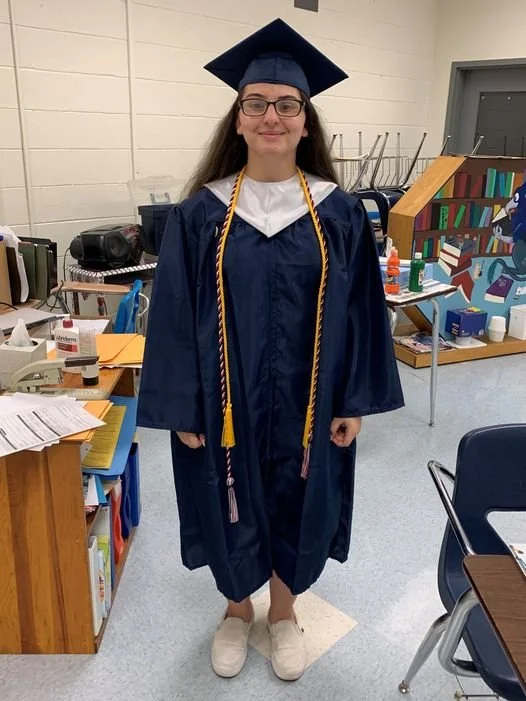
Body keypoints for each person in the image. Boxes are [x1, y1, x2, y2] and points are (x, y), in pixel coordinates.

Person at [138, 18, 404, 682]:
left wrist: (355, 400)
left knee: (300, 491)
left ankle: (282, 613)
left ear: (306, 121)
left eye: (287, 104)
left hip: (310, 404)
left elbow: (362, 311)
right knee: (225, 493)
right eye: (256, 103)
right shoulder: (203, 214)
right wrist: (184, 408)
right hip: (221, 400)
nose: (272, 116)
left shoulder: (338, 213)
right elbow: (170, 316)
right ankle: (236, 609)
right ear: (237, 119)